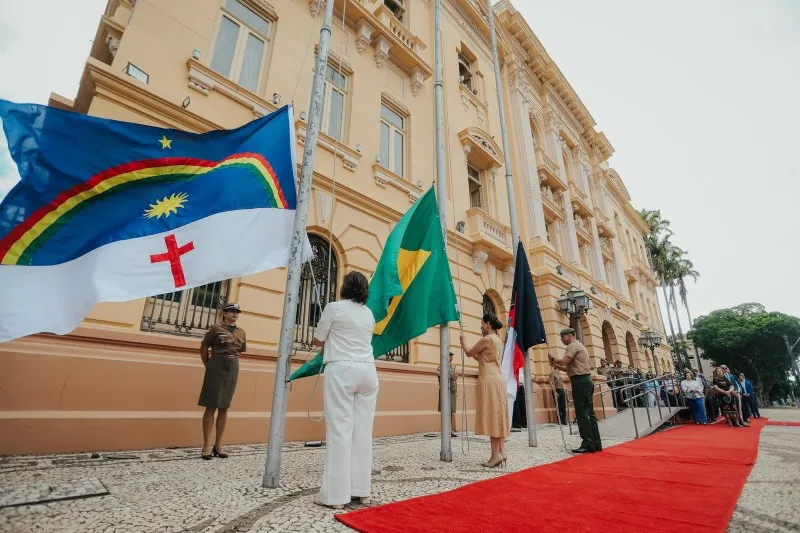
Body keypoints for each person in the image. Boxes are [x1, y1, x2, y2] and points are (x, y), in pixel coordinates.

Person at [312, 271, 379, 509]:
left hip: (341, 370)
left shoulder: (333, 308)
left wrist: (326, 342)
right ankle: (361, 491)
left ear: (343, 287)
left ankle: (336, 496)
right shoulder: (369, 314)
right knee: (362, 432)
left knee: (340, 430)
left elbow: (318, 340)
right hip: (368, 372)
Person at [460, 313, 510, 468]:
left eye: (482, 323)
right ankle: (501, 452)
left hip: (489, 380)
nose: (480, 326)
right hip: (498, 379)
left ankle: (495, 455)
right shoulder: (497, 341)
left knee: (492, 415)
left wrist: (463, 341)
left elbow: (469, 352)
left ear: (488, 324)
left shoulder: (486, 339)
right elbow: (482, 358)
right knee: (498, 415)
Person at [198, 302, 246, 460]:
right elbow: (204, 348)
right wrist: (209, 365)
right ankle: (206, 445)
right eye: (231, 311)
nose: (234, 314)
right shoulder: (215, 328)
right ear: (224, 313)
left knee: (224, 407)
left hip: (232, 367)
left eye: (237, 312)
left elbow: (241, 350)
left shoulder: (241, 332)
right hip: (216, 365)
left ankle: (218, 445)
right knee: (211, 406)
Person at [549, 328, 602, 454]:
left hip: (580, 382)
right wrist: (556, 366)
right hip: (584, 380)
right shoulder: (579, 346)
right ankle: (595, 443)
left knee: (582, 413)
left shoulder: (573, 346)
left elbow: (564, 361)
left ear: (568, 336)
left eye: (562, 337)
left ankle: (588, 443)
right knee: (590, 413)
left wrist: (553, 358)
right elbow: (570, 369)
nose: (561, 340)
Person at [437, 351, 458, 437]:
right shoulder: (442, 366)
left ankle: (450, 430)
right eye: (450, 356)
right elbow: (442, 376)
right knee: (446, 411)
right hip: (445, 391)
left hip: (452, 391)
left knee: (451, 411)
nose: (451, 358)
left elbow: (454, 378)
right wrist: (453, 375)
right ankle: (445, 430)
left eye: (452, 356)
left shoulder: (451, 366)